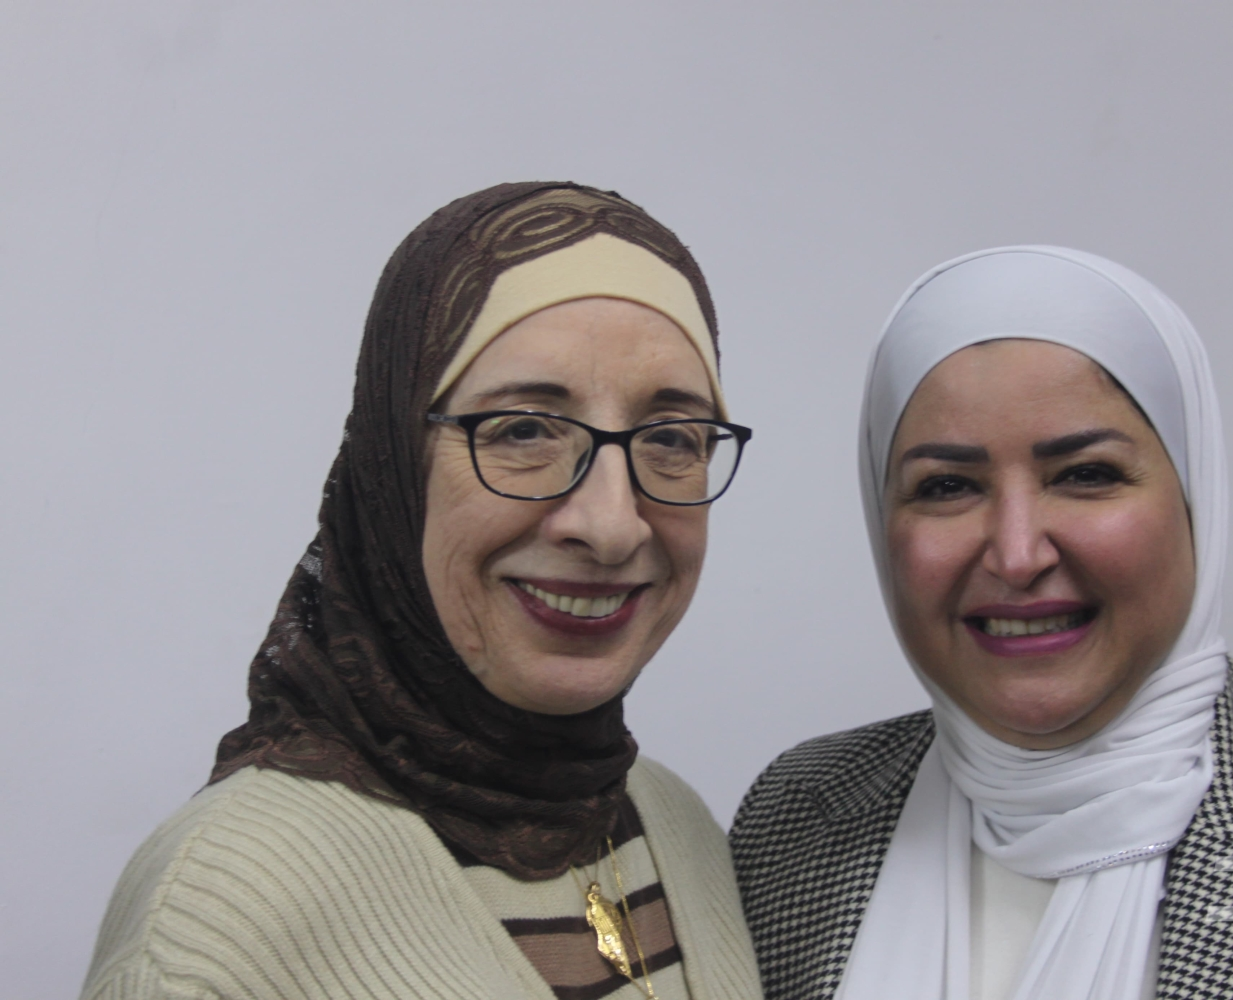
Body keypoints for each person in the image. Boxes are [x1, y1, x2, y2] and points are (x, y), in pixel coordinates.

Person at [729, 246, 1233, 1000]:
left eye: (1086, 474)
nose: (1017, 554)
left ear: (1195, 496)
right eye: (947, 486)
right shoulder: (795, 818)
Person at [82, 182, 763, 1000]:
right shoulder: (217, 925)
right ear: (392, 469)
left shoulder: (673, 823)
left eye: (671, 438)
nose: (612, 525)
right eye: (523, 429)